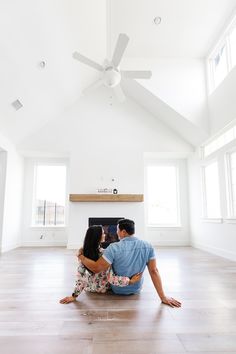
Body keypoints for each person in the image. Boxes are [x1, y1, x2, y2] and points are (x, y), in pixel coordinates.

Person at [78, 219, 181, 308]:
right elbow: (154, 271)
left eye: (118, 230)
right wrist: (163, 297)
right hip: (137, 288)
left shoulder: (113, 247)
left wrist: (81, 256)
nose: (116, 233)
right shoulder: (148, 246)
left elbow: (96, 268)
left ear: (123, 232)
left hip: (117, 289)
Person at [60, 225, 141, 304]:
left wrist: (74, 296)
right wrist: (130, 281)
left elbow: (81, 277)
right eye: (102, 233)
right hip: (104, 288)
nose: (105, 234)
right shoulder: (105, 254)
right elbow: (111, 278)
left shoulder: (83, 253)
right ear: (97, 237)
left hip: (90, 288)